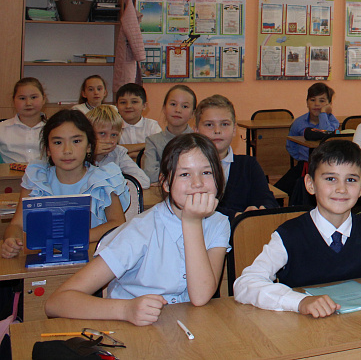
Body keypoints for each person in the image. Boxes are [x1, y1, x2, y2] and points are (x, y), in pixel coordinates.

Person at [233, 140, 361, 316]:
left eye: (351, 180)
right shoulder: (288, 235)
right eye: (330, 179)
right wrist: (298, 302)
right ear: (310, 184)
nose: (341, 189)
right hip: (304, 331)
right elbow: (245, 284)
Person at [45, 134, 230, 324]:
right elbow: (57, 302)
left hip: (183, 326)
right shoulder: (140, 231)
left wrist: (192, 223)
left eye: (206, 172)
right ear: (166, 182)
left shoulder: (219, 223)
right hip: (131, 328)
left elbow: (200, 297)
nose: (197, 183)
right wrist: (126, 310)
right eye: (184, 174)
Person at [2, 109, 128, 257]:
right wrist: (11, 240)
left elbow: (117, 223)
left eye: (76, 141)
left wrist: (74, 239)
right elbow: (16, 224)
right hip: (44, 258)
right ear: (48, 149)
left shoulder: (103, 179)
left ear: (89, 146)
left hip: (94, 257)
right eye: (58, 142)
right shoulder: (37, 178)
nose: (67, 150)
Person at [196, 95, 277, 218]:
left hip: (244, 227)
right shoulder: (190, 168)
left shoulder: (248, 165)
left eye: (224, 124)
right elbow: (198, 205)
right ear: (196, 130)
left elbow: (267, 198)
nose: (217, 130)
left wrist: (261, 209)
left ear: (234, 129)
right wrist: (236, 216)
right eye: (209, 125)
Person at [142, 84, 197, 182]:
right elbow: (150, 174)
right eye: (173, 104)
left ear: (193, 113)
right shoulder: (153, 141)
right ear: (164, 108)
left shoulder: (199, 141)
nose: (178, 110)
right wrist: (185, 175)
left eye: (185, 106)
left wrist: (165, 176)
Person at [88, 104, 150, 188]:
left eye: (114, 135)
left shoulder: (118, 152)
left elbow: (144, 181)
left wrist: (115, 183)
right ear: (89, 133)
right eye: (102, 133)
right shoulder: (81, 153)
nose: (108, 140)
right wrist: (91, 153)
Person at [288, 82, 340, 166]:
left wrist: (323, 113)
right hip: (305, 164)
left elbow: (325, 133)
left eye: (322, 101)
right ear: (307, 103)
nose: (316, 104)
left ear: (329, 104)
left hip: (326, 165)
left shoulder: (333, 122)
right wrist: (301, 158)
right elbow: (290, 144)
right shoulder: (298, 123)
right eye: (312, 100)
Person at [0, 77, 47, 163]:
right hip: (10, 171)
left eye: (33, 97)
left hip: (46, 171)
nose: (28, 103)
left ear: (43, 99)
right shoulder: (2, 128)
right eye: (22, 98)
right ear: (14, 100)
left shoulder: (55, 128)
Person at [115, 83, 161, 152]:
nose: (128, 106)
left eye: (134, 102)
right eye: (123, 102)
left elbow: (159, 148)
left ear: (144, 106)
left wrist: (133, 154)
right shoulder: (113, 126)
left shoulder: (152, 126)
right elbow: (112, 149)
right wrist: (147, 145)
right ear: (117, 106)